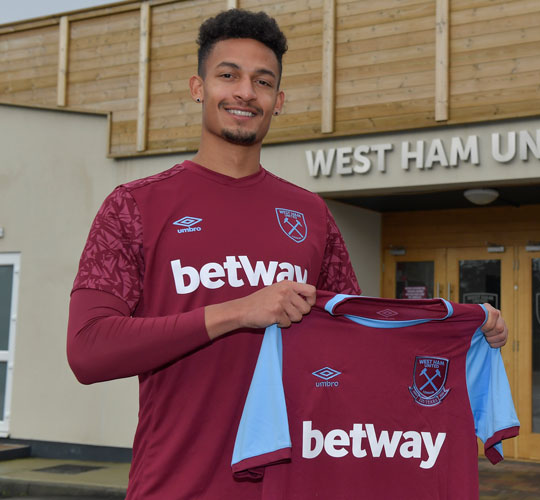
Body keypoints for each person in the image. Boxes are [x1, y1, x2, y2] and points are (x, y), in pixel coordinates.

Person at [67, 8, 508, 499]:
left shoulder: (312, 214)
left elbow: (358, 344)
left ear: (278, 101)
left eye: (262, 81)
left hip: (296, 486)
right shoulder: (135, 205)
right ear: (198, 87)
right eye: (228, 75)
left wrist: (460, 328)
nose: (245, 92)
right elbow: (88, 351)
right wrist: (239, 311)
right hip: (177, 486)